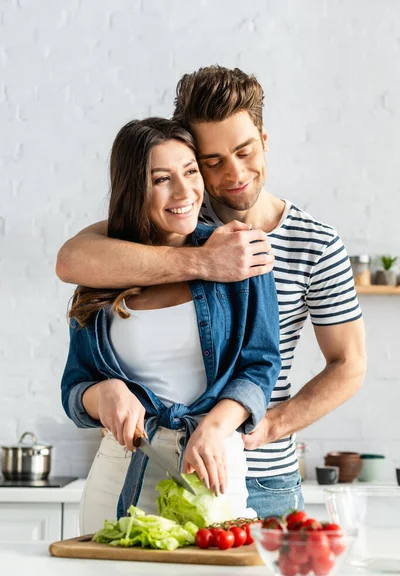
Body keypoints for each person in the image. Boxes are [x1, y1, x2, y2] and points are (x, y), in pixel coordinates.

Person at [57, 66, 366, 518]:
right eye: (212, 161)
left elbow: (348, 365)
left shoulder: (314, 242)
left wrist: (263, 426)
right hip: (147, 467)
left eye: (244, 150)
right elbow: (74, 260)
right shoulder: (173, 223)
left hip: (261, 471)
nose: (235, 173)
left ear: (264, 139)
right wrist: (205, 261)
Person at [61, 117, 281, 534]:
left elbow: (261, 364)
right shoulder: (103, 270)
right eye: (162, 178)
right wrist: (102, 393)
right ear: (133, 188)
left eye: (191, 172)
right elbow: (75, 385)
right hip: (121, 473)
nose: (184, 193)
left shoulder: (240, 254)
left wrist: (214, 428)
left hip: (212, 465)